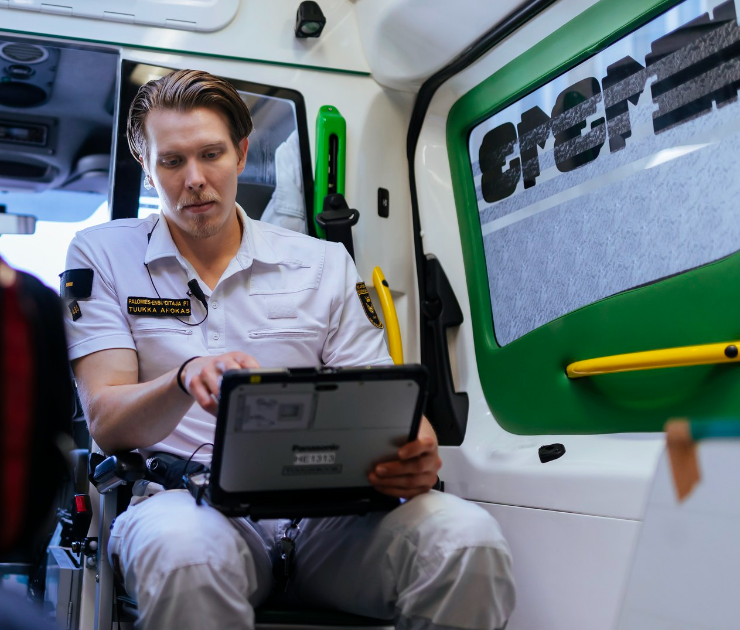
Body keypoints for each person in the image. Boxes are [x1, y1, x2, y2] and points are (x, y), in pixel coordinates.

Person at [63, 69, 515, 630]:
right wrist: (184, 377)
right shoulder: (102, 255)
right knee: (186, 554)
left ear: (241, 151)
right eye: (173, 161)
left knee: (467, 541)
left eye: (211, 154)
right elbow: (106, 421)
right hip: (187, 504)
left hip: (327, 520)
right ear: (147, 168)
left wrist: (416, 451)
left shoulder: (322, 263)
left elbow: (390, 405)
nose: (196, 179)